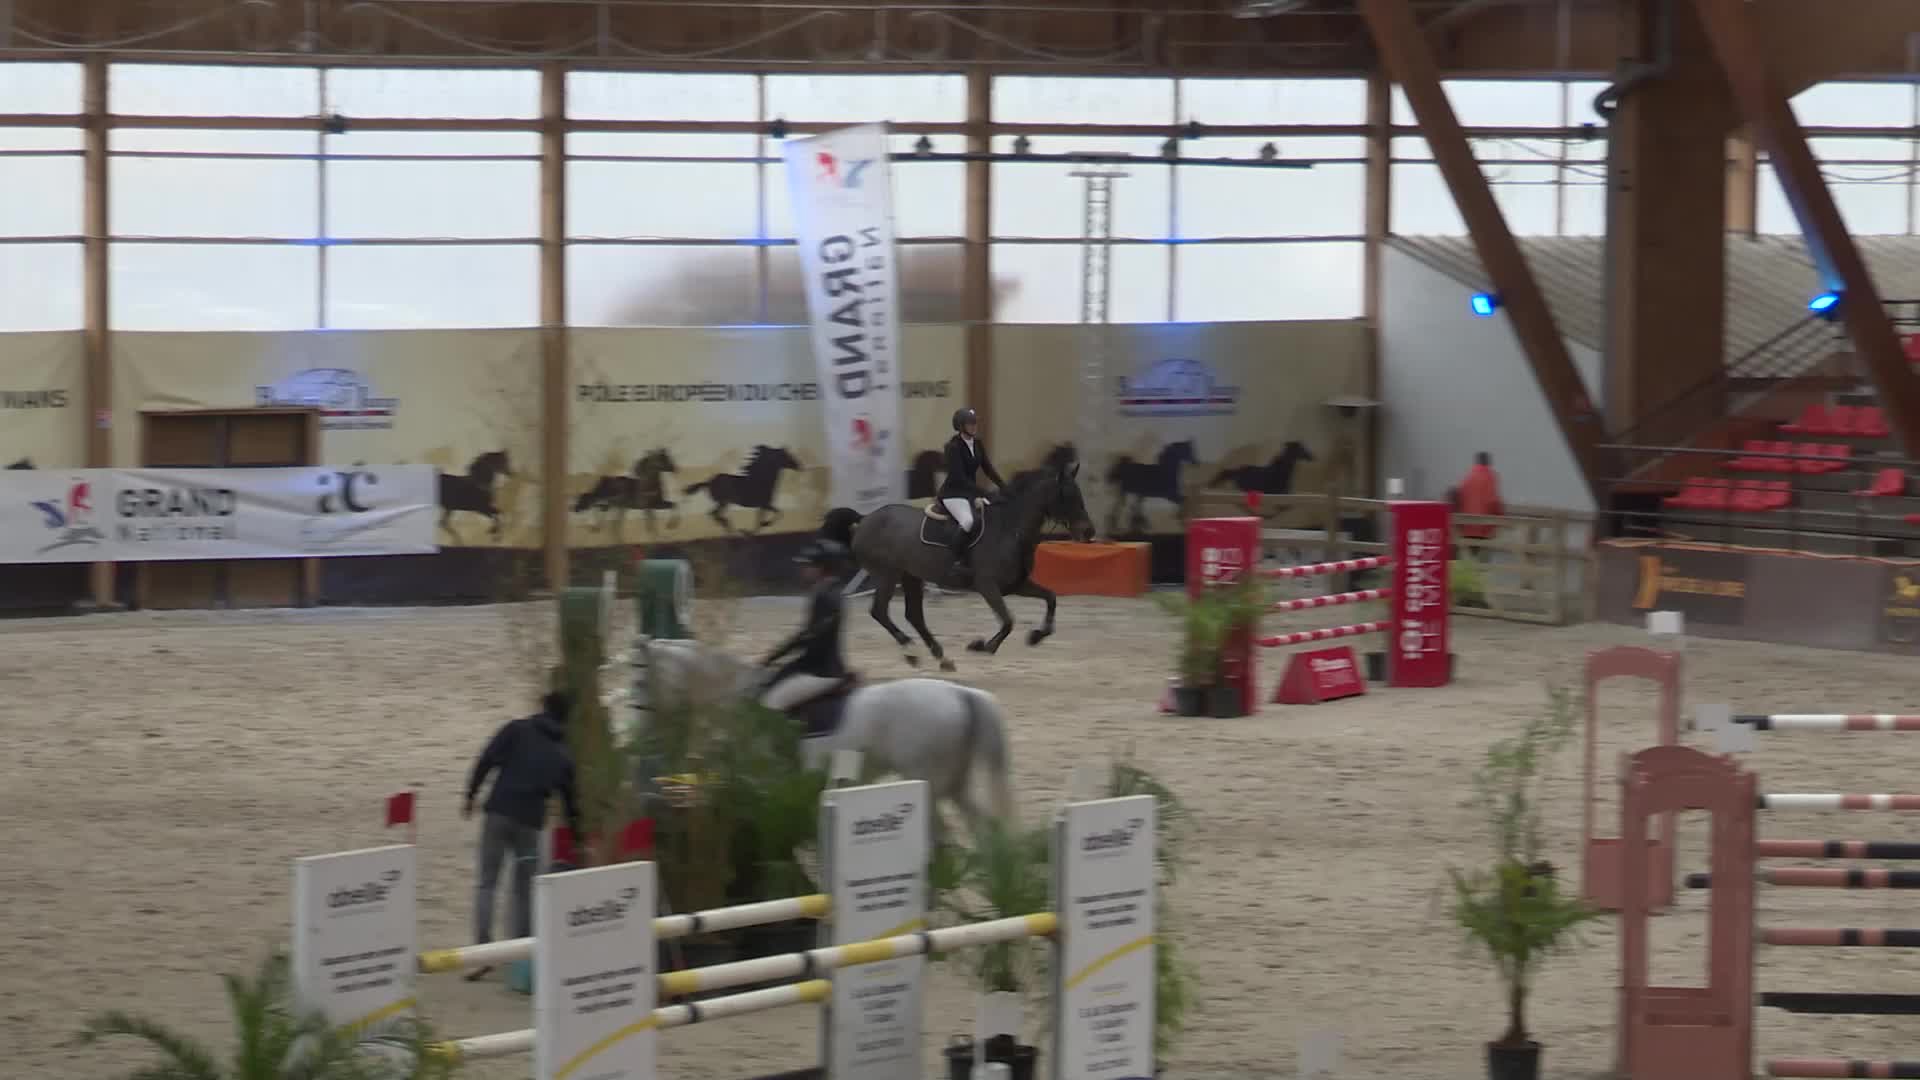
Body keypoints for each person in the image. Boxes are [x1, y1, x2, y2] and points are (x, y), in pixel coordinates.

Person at [462, 689, 583, 975]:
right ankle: (520, 959)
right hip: (530, 824)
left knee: (487, 884)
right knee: (524, 891)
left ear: (542, 706)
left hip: (498, 813)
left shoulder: (516, 730)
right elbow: (571, 803)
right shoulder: (563, 755)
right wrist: (577, 839)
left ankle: (482, 955)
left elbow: (486, 760)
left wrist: (471, 795)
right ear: (566, 718)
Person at [759, 538, 852, 714]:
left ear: (823, 567)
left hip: (822, 672)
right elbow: (808, 636)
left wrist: (774, 657)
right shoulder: (827, 591)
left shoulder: (827, 596)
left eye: (809, 565)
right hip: (817, 667)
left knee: (769, 704)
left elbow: (811, 638)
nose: (803, 569)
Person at [937, 407, 1006, 567]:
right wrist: (984, 492)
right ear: (961, 426)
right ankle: (953, 560)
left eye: (975, 423)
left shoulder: (978, 443)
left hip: (970, 492)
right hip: (954, 494)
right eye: (970, 423)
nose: (974, 426)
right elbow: (959, 478)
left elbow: (988, 468)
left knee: (993, 513)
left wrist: (1004, 486)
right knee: (968, 521)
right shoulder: (953, 447)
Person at [1453, 451, 1505, 553]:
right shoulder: (1490, 477)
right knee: (1482, 557)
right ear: (1488, 462)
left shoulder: (1468, 476)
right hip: (1484, 528)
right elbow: (1494, 501)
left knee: (1469, 557)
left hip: (1466, 526)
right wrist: (1501, 518)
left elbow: (1459, 498)